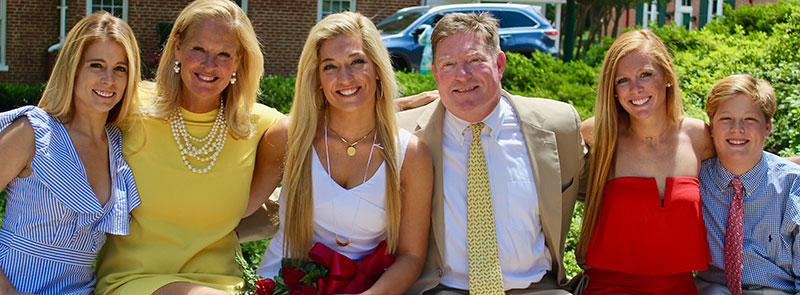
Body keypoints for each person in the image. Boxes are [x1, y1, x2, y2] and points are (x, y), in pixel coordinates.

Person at [94, 1, 283, 294]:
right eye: (199, 49)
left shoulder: (261, 125)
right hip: (134, 279)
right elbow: (57, 126)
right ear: (178, 48)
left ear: (239, 61)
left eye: (224, 54)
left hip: (225, 285)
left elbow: (339, 136)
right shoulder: (129, 106)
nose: (210, 64)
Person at [398, 12, 588, 294]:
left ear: (499, 64)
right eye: (448, 65)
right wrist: (403, 103)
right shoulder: (406, 134)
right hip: (442, 288)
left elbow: (608, 189)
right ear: (435, 75)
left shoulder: (557, 126)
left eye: (474, 60)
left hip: (536, 288)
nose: (462, 75)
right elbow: (330, 118)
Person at [249, 12, 433, 294]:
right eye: (330, 67)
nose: (344, 77)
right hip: (281, 284)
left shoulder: (410, 155)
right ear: (317, 79)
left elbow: (411, 256)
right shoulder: (290, 137)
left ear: (377, 69)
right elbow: (237, 209)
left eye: (357, 62)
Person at [0, 11, 141, 295]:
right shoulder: (33, 131)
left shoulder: (117, 145)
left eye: (120, 69)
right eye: (96, 65)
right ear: (73, 69)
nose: (108, 80)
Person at [577, 29, 714, 294]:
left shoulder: (699, 137)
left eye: (646, 75)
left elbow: (753, 169)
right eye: (623, 80)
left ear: (667, 77)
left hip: (681, 287)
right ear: (613, 90)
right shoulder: (598, 135)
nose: (635, 89)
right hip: (608, 287)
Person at [694, 74, 800, 295]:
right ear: (711, 127)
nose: (737, 128)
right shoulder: (695, 180)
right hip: (713, 289)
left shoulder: (792, 185)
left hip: (777, 289)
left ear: (767, 128)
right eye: (726, 119)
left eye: (750, 119)